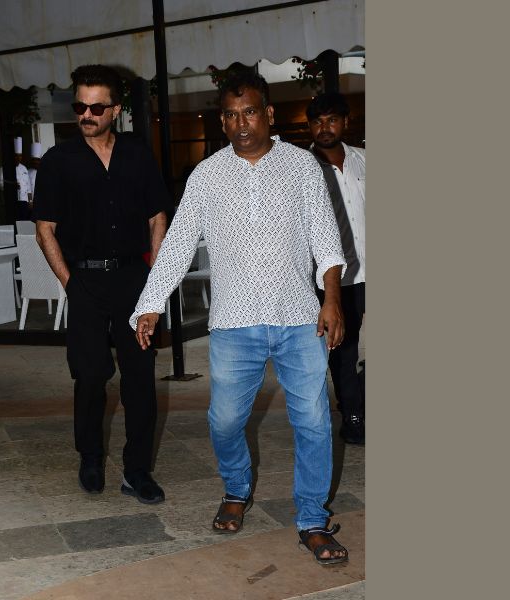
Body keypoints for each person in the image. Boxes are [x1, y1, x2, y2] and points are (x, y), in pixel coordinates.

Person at [130, 71, 349, 565]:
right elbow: (177, 245)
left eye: (249, 112)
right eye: (230, 115)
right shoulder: (206, 176)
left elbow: (326, 239)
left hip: (299, 317)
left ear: (268, 114)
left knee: (314, 421)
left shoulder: (302, 167)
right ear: (222, 121)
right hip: (234, 323)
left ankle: (312, 519)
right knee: (225, 420)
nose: (241, 124)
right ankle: (236, 487)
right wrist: (150, 304)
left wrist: (331, 299)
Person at [33, 64, 169, 504]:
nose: (86, 115)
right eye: (80, 107)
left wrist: (154, 283)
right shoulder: (58, 161)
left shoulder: (137, 154)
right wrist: (71, 284)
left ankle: (137, 470)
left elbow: (157, 217)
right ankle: (90, 456)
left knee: (140, 376)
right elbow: (44, 230)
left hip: (133, 279)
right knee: (90, 375)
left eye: (96, 108)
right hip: (85, 281)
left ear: (115, 110)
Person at [306, 92, 366, 445]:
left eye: (331, 120)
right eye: (317, 121)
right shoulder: (303, 168)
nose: (324, 127)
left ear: (345, 122)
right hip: (334, 277)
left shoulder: (364, 160)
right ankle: (353, 416)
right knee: (343, 348)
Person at [0, 137, 33, 220]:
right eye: (16, 155)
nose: (18, 158)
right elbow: (0, 184)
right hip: (12, 201)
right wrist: (11, 186)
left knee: (24, 222)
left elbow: (28, 187)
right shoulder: (4, 168)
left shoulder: (24, 168)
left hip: (24, 202)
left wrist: (30, 201)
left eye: (20, 155)